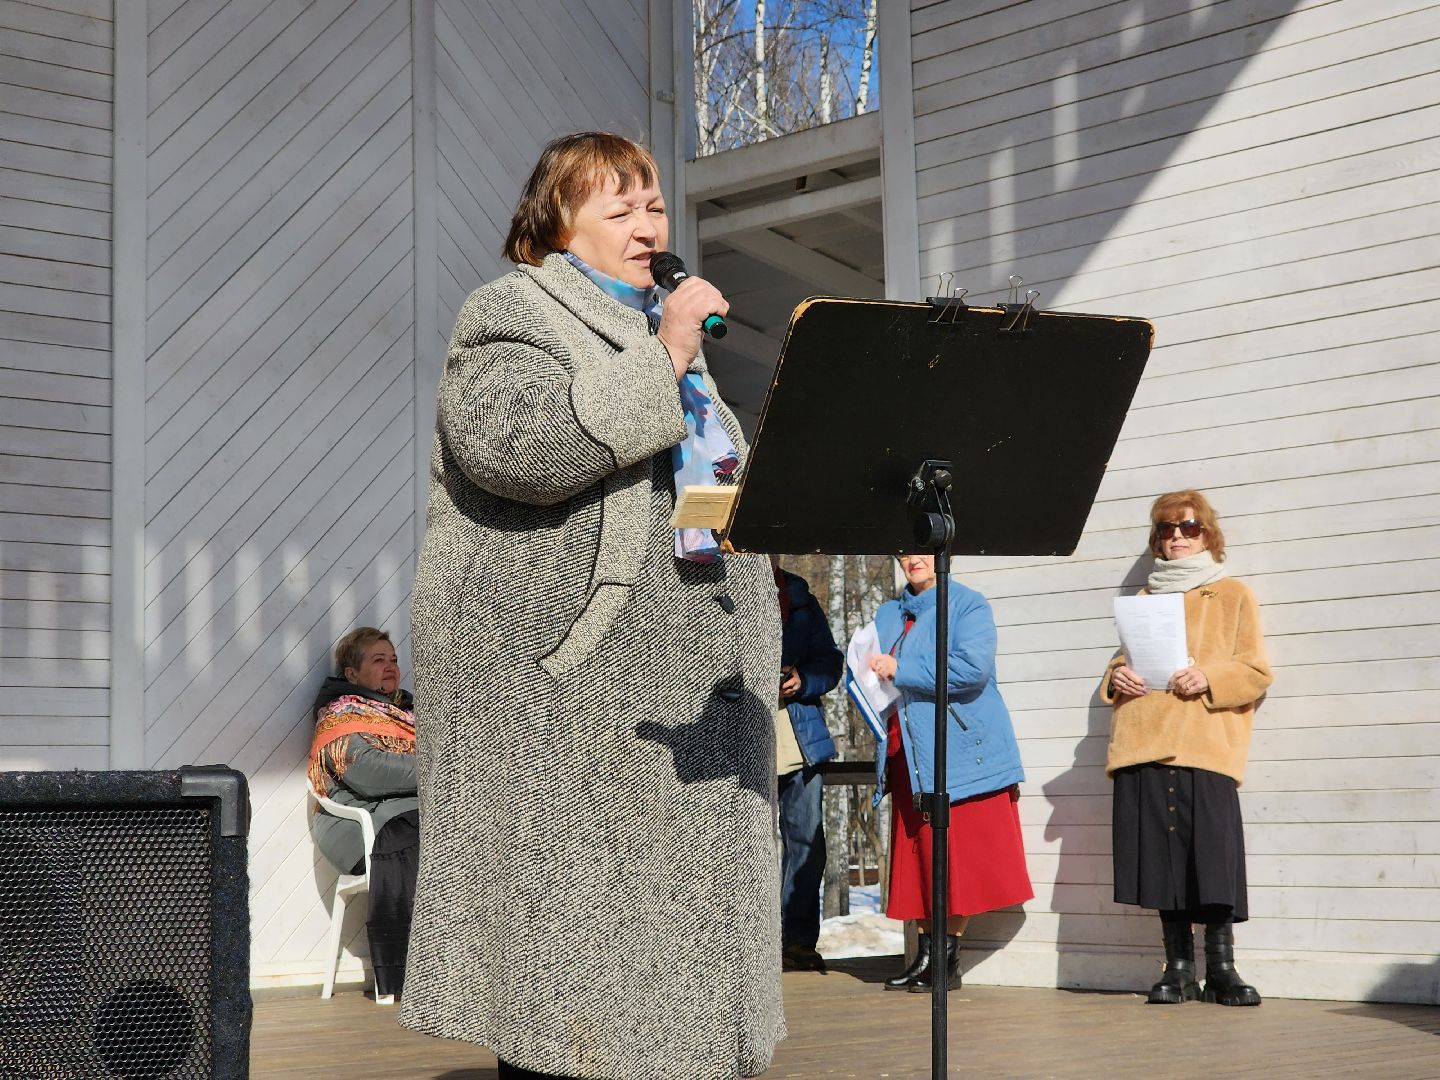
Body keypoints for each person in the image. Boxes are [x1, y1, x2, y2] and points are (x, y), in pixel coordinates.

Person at [398, 132, 782, 1080]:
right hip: (575, 711)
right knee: (576, 983)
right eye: (621, 208)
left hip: (697, 702)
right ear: (556, 226)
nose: (649, 225)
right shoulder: (508, 314)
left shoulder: (678, 353)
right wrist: (665, 354)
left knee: (686, 977)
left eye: (654, 206)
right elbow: (519, 448)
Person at [1102, 490, 1272, 1007]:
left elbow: (1256, 671)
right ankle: (1177, 967)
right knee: (1161, 861)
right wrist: (1119, 677)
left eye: (1189, 527)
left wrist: (1209, 676)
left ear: (1208, 534)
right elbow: (1116, 669)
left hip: (1203, 743)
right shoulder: (1143, 602)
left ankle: (1221, 968)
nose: (1177, 537)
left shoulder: (1233, 594)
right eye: (1166, 529)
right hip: (1145, 741)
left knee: (1213, 860)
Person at [867, 554, 1032, 993]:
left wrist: (901, 669)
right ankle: (925, 956)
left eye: (922, 550)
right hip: (907, 753)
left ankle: (945, 959)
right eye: (904, 551)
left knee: (955, 858)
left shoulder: (968, 605)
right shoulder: (887, 613)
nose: (913, 559)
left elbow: (970, 670)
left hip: (957, 751)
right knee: (923, 857)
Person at [307, 627, 418, 1004]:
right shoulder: (340, 715)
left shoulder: (410, 713)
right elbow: (368, 773)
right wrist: (439, 769)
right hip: (354, 826)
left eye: (394, 659)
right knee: (418, 832)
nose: (390, 667)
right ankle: (408, 974)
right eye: (378, 660)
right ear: (352, 674)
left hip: (403, 814)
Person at [772, 559, 844, 973]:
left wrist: (803, 680)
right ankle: (756, 946)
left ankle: (797, 943)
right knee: (752, 849)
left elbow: (830, 662)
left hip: (801, 739)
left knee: (807, 846)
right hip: (745, 739)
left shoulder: (798, 595)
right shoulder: (718, 583)